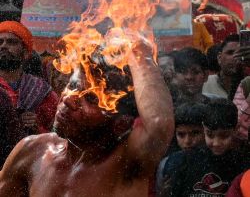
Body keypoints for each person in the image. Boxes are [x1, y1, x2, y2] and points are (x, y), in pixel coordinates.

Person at [0, 40, 174, 197]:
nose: (69, 99)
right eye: (73, 85)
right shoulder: (32, 151)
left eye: (90, 99)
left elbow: (158, 125)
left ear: (120, 123)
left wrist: (139, 52)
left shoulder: (127, 162)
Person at [157, 99, 250, 197]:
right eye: (210, 135)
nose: (216, 143)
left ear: (236, 129)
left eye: (224, 136)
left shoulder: (243, 163)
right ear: (203, 128)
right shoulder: (183, 162)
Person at [0, 21, 58, 135]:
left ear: (25, 53)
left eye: (11, 42)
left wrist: (37, 127)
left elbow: (58, 134)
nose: (3, 46)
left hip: (30, 151)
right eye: (0, 42)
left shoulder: (41, 90)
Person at [203, 34, 244, 100]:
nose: (235, 57)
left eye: (241, 53)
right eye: (230, 53)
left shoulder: (247, 84)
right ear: (219, 57)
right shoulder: (204, 83)